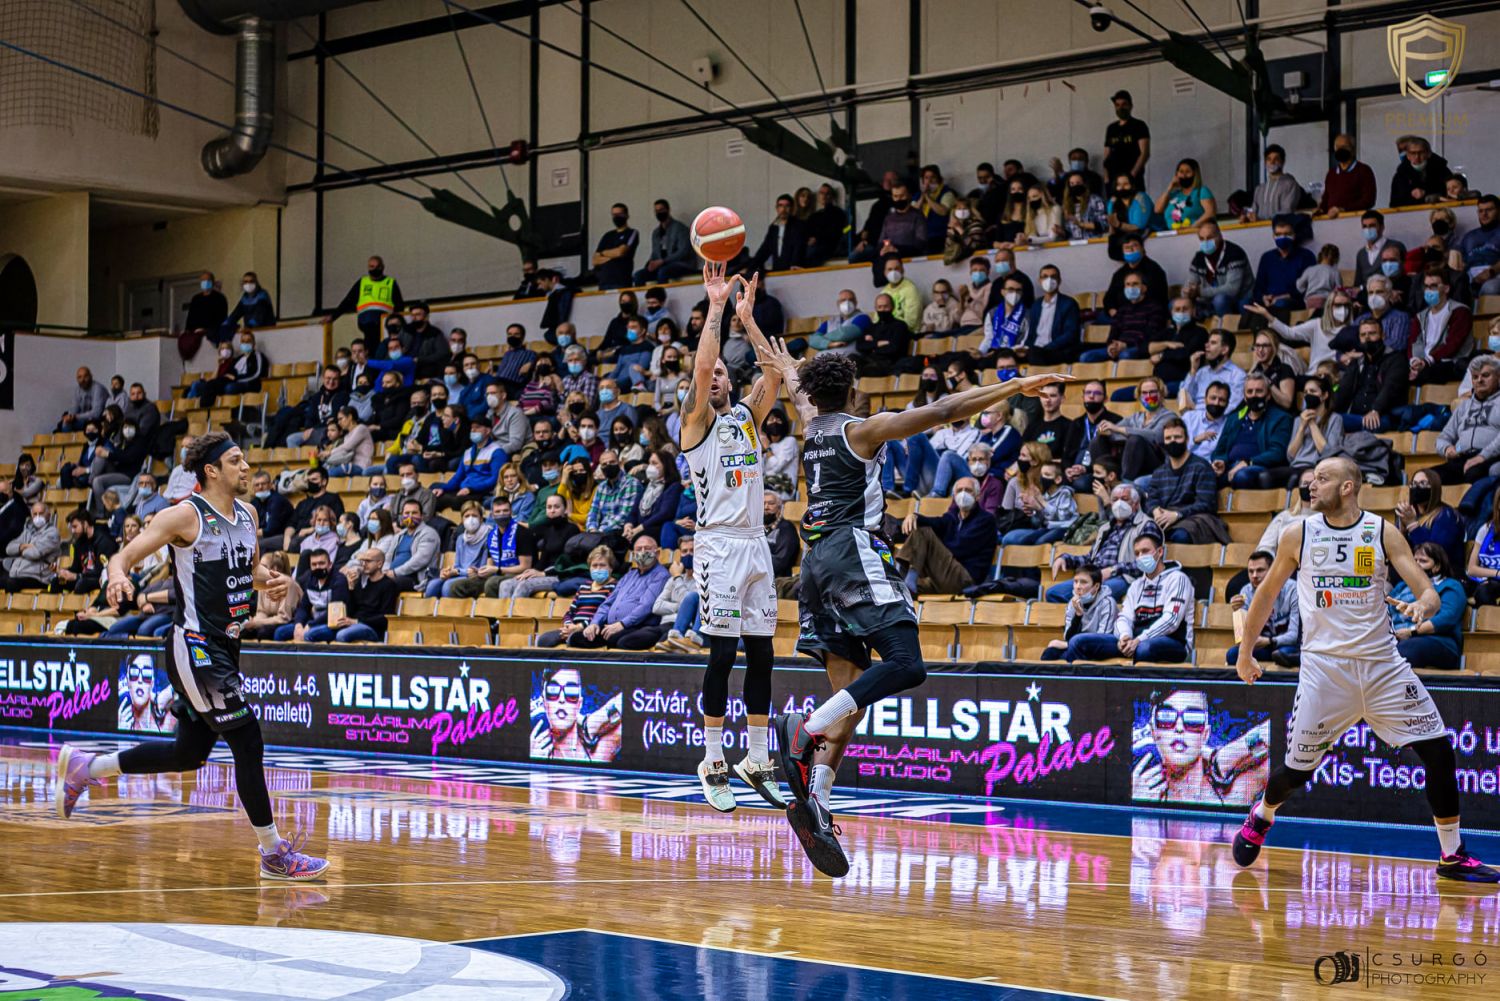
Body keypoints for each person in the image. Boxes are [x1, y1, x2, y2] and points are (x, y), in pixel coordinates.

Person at [767, 347, 1066, 876]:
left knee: (849, 699)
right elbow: (945, 410)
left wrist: (774, 354)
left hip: (815, 567)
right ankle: (803, 729)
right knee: (907, 664)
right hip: (852, 554)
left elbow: (798, 389)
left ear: (813, 393)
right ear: (852, 389)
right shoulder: (862, 430)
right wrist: (1013, 386)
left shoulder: (811, 428)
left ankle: (818, 803)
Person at [55, 432, 328, 879]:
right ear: (212, 471)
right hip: (195, 646)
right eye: (236, 460)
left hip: (227, 646)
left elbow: (247, 570)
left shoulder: (248, 514)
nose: (246, 467)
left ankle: (88, 768)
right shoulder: (184, 516)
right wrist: (118, 577)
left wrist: (272, 580)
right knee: (247, 738)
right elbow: (124, 556)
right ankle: (274, 852)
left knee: (189, 754)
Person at [1233, 457, 1498, 882]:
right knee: (1297, 772)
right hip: (1325, 672)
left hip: (1382, 668)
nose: (1312, 484)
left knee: (1438, 751)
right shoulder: (1297, 534)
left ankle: (1452, 855)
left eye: (1323, 478)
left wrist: (1422, 605)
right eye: (1312, 478)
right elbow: (1264, 596)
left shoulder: (1381, 531)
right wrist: (1245, 653)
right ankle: (1263, 813)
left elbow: (1429, 593)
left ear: (1348, 487)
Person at [679, 265, 790, 813]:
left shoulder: (747, 417)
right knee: (723, 653)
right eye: (713, 373)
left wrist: (749, 319)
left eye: (725, 372)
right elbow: (702, 365)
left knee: (762, 653)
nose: (718, 376)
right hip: (717, 545)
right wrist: (718, 307)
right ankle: (713, 759)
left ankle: (757, 757)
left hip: (755, 543)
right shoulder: (694, 425)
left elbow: (774, 375)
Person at [1061, 526, 1193, 663]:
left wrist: (1140, 639)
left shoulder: (1178, 579)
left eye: (1145, 551)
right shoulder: (1136, 585)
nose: (1141, 556)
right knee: (1078, 642)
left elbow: (1171, 620)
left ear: (1160, 552)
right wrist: (1124, 637)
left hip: (1172, 641)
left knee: (1143, 649)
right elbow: (1124, 617)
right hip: (1134, 641)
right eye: (1137, 553)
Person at [1131, 689, 1268, 806]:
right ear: (1153, 732)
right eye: (1166, 717)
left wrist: (1226, 756)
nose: (1179, 727)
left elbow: (1277, 732)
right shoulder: (1140, 789)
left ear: (1206, 734)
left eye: (1193, 719)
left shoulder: (1236, 792)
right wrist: (1135, 805)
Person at [1048, 482, 1151, 602]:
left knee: (1093, 594)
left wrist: (1112, 570)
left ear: (1136, 504)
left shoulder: (1145, 525)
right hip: (1095, 576)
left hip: (1123, 577)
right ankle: (1079, 613)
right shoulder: (1106, 528)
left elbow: (1146, 562)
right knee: (1053, 593)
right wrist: (1065, 559)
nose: (1119, 503)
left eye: (1124, 499)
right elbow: (1089, 559)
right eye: (1115, 499)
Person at [896, 477, 996, 596]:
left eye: (968, 490)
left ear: (977, 496)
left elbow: (959, 548)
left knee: (923, 532)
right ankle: (907, 583)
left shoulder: (986, 520)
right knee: (900, 591)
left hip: (965, 579)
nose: (963, 494)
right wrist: (914, 516)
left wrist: (930, 548)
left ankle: (910, 578)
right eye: (959, 490)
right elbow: (936, 523)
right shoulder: (953, 516)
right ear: (954, 496)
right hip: (944, 578)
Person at [569, 534, 668, 650]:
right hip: (612, 626)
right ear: (633, 554)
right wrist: (594, 623)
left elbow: (646, 606)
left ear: (657, 553)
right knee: (577, 638)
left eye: (647, 548)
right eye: (638, 549)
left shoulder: (661, 575)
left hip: (637, 626)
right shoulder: (629, 575)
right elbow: (607, 603)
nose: (642, 552)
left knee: (618, 641)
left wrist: (622, 624)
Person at [1146, 419, 1228, 545]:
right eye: (1168, 438)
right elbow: (1151, 500)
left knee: (1180, 536)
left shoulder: (1201, 467)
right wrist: (1155, 510)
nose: (1173, 441)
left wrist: (1177, 514)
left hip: (1196, 520)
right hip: (1165, 519)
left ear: (1187, 439)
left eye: (1177, 437)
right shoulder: (1158, 473)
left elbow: (1206, 504)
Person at [1387, 543, 1466, 671]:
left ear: (1437, 566)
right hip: (1397, 638)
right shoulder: (1402, 585)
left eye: (1423, 561)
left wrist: (1411, 632)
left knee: (1406, 649)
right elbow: (1386, 607)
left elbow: (1446, 618)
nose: (1417, 565)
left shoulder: (1450, 586)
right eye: (1415, 561)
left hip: (1438, 641)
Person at [1209, 373, 1293, 489]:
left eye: (1259, 391)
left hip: (1258, 467)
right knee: (1202, 474)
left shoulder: (1280, 418)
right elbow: (1220, 450)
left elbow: (1277, 453)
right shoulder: (1234, 418)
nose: (1254, 395)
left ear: (1268, 395)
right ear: (1244, 396)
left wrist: (1248, 462)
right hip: (1230, 466)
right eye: (1250, 392)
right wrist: (1221, 461)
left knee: (1241, 476)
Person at [1332, 319, 1408, 433]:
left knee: (1369, 425)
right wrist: (1327, 410)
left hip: (1384, 416)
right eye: (1363, 335)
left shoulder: (1396, 359)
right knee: (1327, 420)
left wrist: (1375, 410)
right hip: (1356, 416)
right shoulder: (1357, 362)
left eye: (1372, 333)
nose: (1367, 338)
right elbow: (1344, 389)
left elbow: (1390, 388)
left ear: (1383, 336)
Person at [308, 548, 399, 642]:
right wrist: (351, 588)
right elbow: (352, 609)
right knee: (310, 634)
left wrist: (357, 621)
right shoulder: (362, 583)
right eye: (362, 561)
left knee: (341, 635)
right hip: (351, 624)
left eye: (368, 561)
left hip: (372, 628)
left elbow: (385, 617)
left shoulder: (389, 585)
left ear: (379, 564)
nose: (364, 564)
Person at [1226, 550, 1300, 666]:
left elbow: (1294, 635)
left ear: (1272, 571)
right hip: (1262, 647)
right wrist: (1237, 613)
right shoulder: (1246, 591)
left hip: (1285, 645)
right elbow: (1240, 638)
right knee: (1232, 654)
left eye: (1260, 570)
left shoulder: (1293, 589)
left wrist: (1270, 641)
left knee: (1284, 653)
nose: (1254, 576)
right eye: (1251, 571)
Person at [1395, 468, 1465, 575]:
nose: (1417, 488)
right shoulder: (1410, 513)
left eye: (1423, 484)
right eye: (1414, 484)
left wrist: (1412, 525)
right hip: (1416, 570)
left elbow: (1435, 555)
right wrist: (1402, 530)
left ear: (1434, 488)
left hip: (1444, 575)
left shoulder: (1447, 516)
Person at [1409, 271, 1473, 386]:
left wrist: (1427, 361)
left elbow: (1453, 345)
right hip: (1423, 363)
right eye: (1426, 286)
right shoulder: (1420, 316)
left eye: (1433, 286)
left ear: (1446, 288)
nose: (1429, 290)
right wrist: (1414, 361)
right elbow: (1413, 342)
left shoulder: (1460, 312)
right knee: (1398, 372)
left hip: (1450, 362)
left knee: (1425, 374)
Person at [1042, 566, 1117, 661]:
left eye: (1083, 582)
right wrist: (1078, 615)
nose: (1077, 587)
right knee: (1050, 652)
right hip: (1076, 647)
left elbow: (1102, 639)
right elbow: (1068, 637)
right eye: (1075, 581)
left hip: (1100, 649)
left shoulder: (1107, 603)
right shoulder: (1072, 603)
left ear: (1096, 586)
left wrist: (1067, 644)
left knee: (1067, 651)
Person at [329, 255, 404, 348]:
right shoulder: (362, 282)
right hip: (366, 323)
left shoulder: (390, 282)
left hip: (383, 324)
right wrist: (333, 317)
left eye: (377, 266)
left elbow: (399, 306)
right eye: (372, 266)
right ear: (368, 268)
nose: (374, 269)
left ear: (382, 267)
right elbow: (348, 301)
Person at [1185, 221, 1252, 318]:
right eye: (1202, 239)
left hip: (1240, 297)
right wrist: (1188, 292)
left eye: (1210, 238)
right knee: (1175, 304)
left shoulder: (1234, 254)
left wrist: (1200, 292)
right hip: (1210, 298)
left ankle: (1228, 326)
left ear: (1220, 236)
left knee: (1219, 300)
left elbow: (1232, 289)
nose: (1206, 242)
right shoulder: (1199, 258)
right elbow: (1189, 284)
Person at [1251, 217, 1316, 311]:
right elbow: (1258, 287)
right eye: (1278, 234)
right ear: (1273, 236)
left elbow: (1310, 286)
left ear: (1294, 235)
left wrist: (1283, 297)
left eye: (1287, 234)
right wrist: (1263, 297)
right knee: (1245, 304)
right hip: (1269, 301)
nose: (1282, 237)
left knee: (1281, 304)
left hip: (1293, 301)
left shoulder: (1306, 256)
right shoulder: (1267, 257)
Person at [1178, 331, 1246, 412]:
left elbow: (1232, 407)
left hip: (1218, 417)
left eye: (1213, 343)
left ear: (1224, 350)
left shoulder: (1238, 375)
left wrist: (1207, 415)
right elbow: (1182, 399)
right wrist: (1193, 370)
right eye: (1208, 342)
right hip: (1193, 416)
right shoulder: (1201, 372)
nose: (1206, 345)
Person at [0, 500, 59, 592]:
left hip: (38, 577)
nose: (38, 517)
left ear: (48, 515)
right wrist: (24, 546)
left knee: (9, 583)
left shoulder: (52, 533)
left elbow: (35, 554)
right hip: (17, 574)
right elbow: (9, 548)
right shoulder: (28, 531)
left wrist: (19, 549)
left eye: (41, 513)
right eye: (35, 514)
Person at [635, 199, 695, 283]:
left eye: (661, 210)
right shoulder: (656, 233)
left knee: (663, 272)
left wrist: (663, 261)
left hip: (680, 264)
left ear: (668, 210)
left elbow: (683, 252)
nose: (659, 213)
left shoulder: (680, 228)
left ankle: (661, 292)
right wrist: (650, 263)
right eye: (656, 211)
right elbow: (655, 253)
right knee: (639, 275)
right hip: (662, 265)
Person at [1317, 134, 1377, 217]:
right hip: (1332, 221)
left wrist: (1343, 209)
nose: (1340, 150)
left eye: (1344, 147)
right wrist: (1319, 211)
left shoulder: (1364, 171)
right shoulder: (1331, 173)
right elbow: (1326, 199)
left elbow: (1368, 201)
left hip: (1354, 219)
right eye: (1337, 147)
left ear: (1353, 149)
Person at [387, 497, 440, 591]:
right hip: (394, 574)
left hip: (416, 579)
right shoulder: (399, 535)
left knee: (387, 585)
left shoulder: (429, 533)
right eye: (407, 513)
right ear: (402, 516)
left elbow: (420, 560)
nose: (410, 516)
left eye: (414, 513)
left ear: (421, 516)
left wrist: (395, 572)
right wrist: (384, 571)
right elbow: (388, 557)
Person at [1245, 145, 1304, 223]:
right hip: (1259, 229)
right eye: (1269, 159)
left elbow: (1287, 212)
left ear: (1282, 162)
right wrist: (1247, 217)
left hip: (1281, 229)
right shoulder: (1259, 189)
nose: (1272, 162)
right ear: (1265, 162)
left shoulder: (1291, 185)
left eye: (1276, 159)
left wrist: (1260, 220)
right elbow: (1253, 211)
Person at [1102, 89, 1150, 184]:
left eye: (1124, 104)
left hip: (1133, 178)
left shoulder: (1139, 125)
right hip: (1113, 178)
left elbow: (1144, 153)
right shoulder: (1111, 128)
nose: (1121, 108)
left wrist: (1132, 174)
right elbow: (1106, 154)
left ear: (1130, 106)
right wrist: (1106, 177)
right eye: (1117, 105)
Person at [1155, 158, 1216, 231]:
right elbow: (1157, 210)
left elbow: (1210, 213)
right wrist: (1170, 187)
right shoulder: (1172, 194)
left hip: (1193, 233)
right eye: (1181, 172)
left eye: (1188, 172)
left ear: (1195, 174)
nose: (1184, 175)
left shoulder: (1201, 191)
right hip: (1172, 234)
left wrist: (1192, 227)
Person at [1390, 137, 1451, 208]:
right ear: (1408, 156)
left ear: (1428, 154)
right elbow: (1395, 204)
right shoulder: (1400, 175)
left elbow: (1451, 193)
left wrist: (1426, 193)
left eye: (1421, 153)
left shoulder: (1442, 170)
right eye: (1413, 153)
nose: (1417, 157)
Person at [593, 203, 638, 290]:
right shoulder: (607, 235)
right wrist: (611, 255)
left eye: (619, 214)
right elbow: (595, 260)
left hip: (621, 281)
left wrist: (603, 253)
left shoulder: (631, 232)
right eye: (614, 215)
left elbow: (621, 252)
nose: (616, 217)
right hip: (604, 282)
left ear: (626, 215)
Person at [1468, 499, 1500, 607]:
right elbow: (1471, 569)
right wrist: (1496, 573)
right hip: (1487, 580)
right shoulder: (1486, 529)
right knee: (1483, 592)